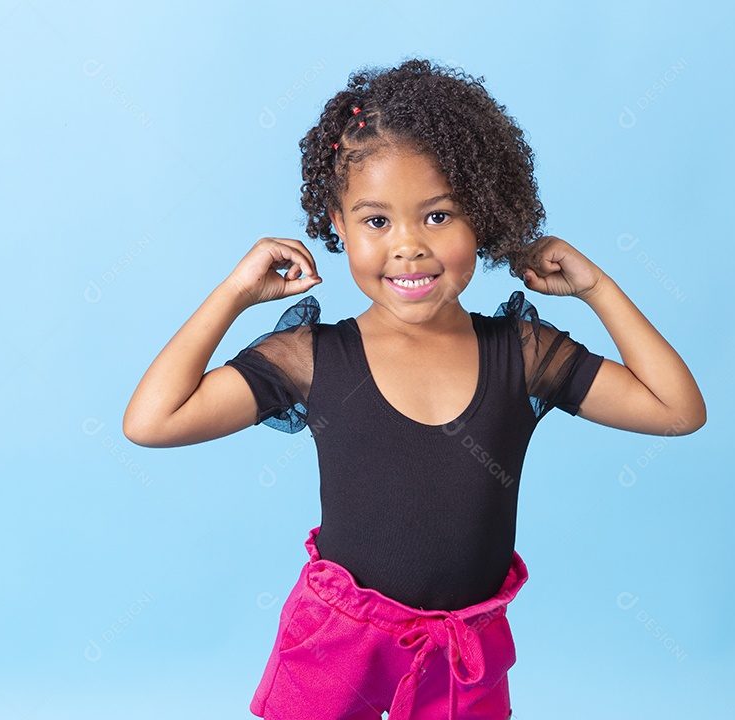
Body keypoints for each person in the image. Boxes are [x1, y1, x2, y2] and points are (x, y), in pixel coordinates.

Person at [124, 57, 705, 720]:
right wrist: (233, 294)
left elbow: (676, 410)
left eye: (438, 216)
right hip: (337, 649)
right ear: (337, 225)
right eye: (377, 222)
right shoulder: (313, 358)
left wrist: (597, 289)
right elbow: (152, 421)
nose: (408, 247)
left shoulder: (521, 354)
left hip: (461, 656)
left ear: (482, 215)